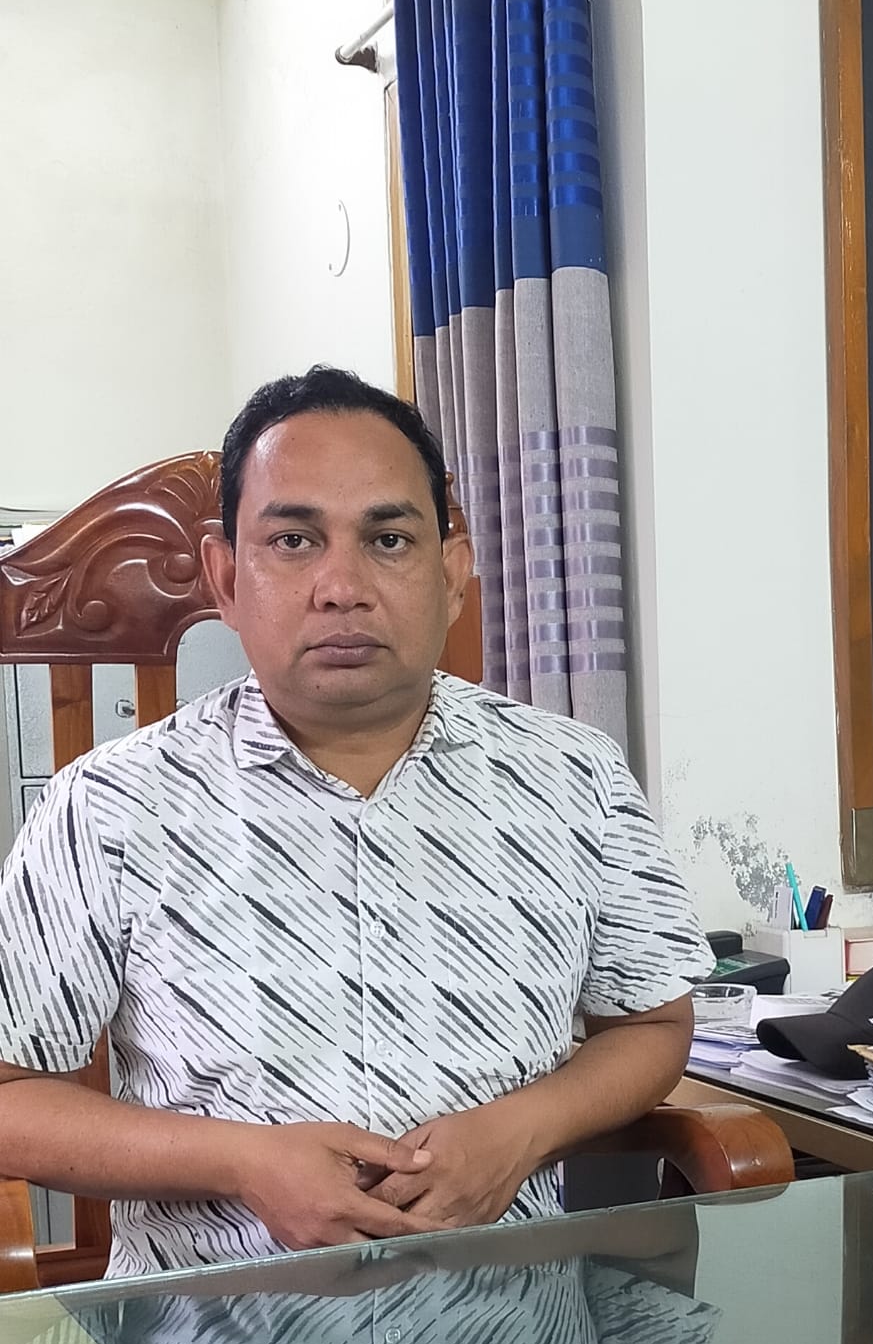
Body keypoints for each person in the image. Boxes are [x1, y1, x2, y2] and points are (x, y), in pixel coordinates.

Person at [0, 366, 712, 1277]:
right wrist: (240, 1162)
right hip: (217, 1325)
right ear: (227, 577)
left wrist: (521, 1131)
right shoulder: (109, 806)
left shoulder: (576, 777)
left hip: (504, 1317)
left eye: (388, 538)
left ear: (452, 572)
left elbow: (651, 1025)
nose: (342, 586)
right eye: (293, 540)